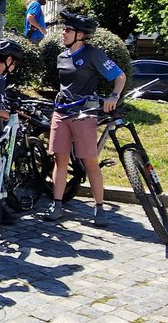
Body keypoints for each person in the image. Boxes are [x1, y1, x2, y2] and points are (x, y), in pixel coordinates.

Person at [41, 12, 127, 228]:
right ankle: (57, 204)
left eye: (67, 30)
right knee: (60, 160)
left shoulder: (93, 54)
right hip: (61, 113)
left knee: (90, 162)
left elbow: (120, 76)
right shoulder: (62, 56)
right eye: (64, 29)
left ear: (80, 35)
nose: (63, 33)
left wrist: (114, 96)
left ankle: (99, 207)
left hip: (84, 115)